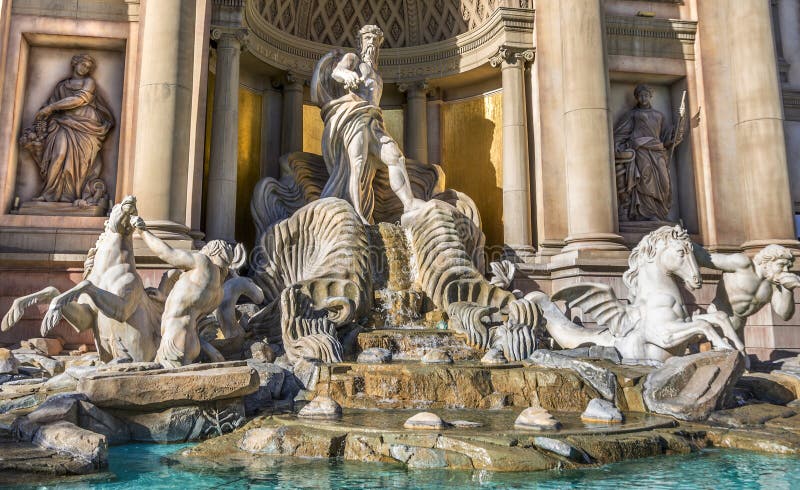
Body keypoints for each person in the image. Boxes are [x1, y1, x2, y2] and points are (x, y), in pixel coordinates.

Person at [310, 25, 424, 224]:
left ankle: (409, 203)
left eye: (374, 39)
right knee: (357, 165)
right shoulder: (353, 60)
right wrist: (347, 75)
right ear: (360, 42)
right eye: (367, 38)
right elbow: (337, 71)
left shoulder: (377, 75)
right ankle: (357, 213)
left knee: (396, 157)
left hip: (373, 121)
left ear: (379, 45)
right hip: (355, 118)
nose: (371, 42)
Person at [132, 216, 242, 368]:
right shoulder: (218, 292)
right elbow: (189, 309)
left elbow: (166, 253)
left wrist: (143, 232)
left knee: (166, 386)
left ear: (211, 251)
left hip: (175, 339)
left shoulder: (203, 262)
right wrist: (165, 299)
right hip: (192, 342)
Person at [22, 54, 114, 204]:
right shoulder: (62, 86)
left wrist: (52, 107)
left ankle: (70, 196)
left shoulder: (89, 82)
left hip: (86, 128)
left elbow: (79, 100)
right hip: (62, 124)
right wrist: (44, 114)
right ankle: (49, 193)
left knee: (80, 163)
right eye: (82, 65)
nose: (85, 69)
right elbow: (48, 108)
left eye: (88, 67)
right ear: (75, 64)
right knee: (58, 155)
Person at [695, 244, 800, 332]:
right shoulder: (742, 264)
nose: (786, 270)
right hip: (716, 320)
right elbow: (705, 257)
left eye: (788, 267)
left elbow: (784, 315)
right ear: (767, 262)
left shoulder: (775, 286)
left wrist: (788, 290)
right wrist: (683, 241)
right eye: (781, 265)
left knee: (738, 355)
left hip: (738, 327)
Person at [613, 84, 674, 221]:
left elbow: (665, 138)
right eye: (640, 95)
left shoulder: (659, 115)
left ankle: (660, 212)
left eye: (646, 95)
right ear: (636, 98)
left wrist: (674, 137)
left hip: (658, 152)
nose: (643, 97)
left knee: (664, 182)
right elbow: (621, 133)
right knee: (645, 180)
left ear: (650, 96)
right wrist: (618, 145)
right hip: (641, 151)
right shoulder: (633, 115)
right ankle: (647, 214)